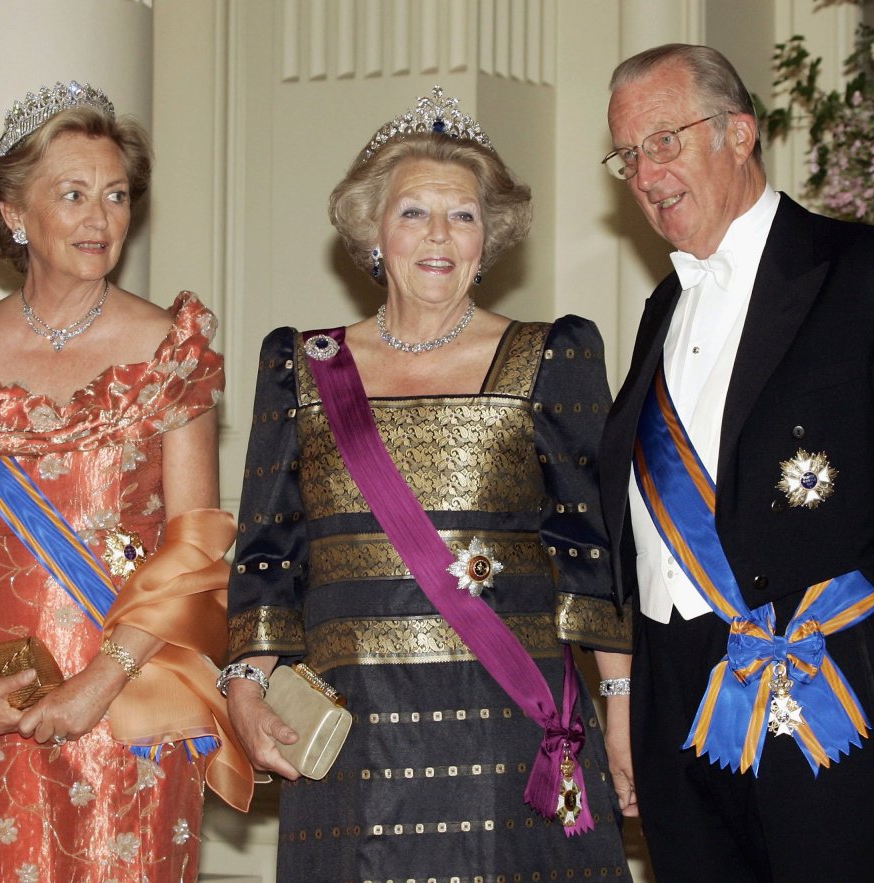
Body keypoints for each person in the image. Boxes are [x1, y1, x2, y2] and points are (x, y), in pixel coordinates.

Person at [597, 44, 874, 882]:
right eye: (627, 155)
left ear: (739, 133)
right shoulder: (665, 305)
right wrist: (629, 692)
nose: (645, 174)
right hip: (677, 697)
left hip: (826, 696)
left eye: (664, 141)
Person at [223, 87, 633, 880]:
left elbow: (593, 553)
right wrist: (246, 684)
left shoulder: (553, 355)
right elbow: (269, 553)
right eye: (414, 212)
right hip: (351, 734)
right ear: (374, 231)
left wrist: (620, 707)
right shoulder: (301, 367)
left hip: (509, 727)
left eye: (463, 214)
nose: (439, 234)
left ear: (488, 237)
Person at [0, 81, 251, 883]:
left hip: (129, 711)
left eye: (116, 195)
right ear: (13, 212)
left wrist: (98, 685)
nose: (101, 218)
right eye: (73, 194)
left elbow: (196, 547)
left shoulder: (168, 353)